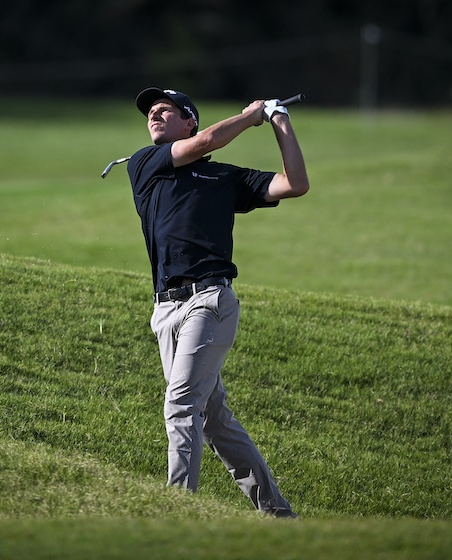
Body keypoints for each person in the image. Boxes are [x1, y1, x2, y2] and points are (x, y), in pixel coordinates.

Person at [126, 87, 309, 518]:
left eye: (164, 110)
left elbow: (295, 184)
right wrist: (251, 116)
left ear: (188, 120)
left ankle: (176, 512)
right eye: (150, 112)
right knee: (213, 421)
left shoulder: (224, 178)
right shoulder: (144, 164)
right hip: (165, 311)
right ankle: (280, 515)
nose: (153, 114)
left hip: (209, 301)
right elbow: (207, 141)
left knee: (181, 402)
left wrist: (279, 120)